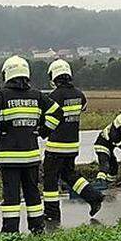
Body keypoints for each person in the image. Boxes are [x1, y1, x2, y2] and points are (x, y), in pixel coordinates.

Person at [0, 56, 59, 234]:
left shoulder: (2, 95)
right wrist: (44, 131)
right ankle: (37, 228)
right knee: (33, 194)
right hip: (31, 156)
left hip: (9, 158)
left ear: (7, 73)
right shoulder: (37, 95)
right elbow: (56, 112)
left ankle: (10, 232)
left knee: (11, 198)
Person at [42, 60, 104, 226]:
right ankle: (93, 196)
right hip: (72, 144)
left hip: (56, 146)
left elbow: (48, 117)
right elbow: (82, 108)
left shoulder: (53, 96)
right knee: (69, 175)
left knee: (50, 179)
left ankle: (51, 214)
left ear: (54, 76)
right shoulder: (79, 94)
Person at [93, 113, 121, 184]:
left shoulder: (119, 128)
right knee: (105, 164)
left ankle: (109, 182)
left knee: (114, 167)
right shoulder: (114, 135)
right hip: (101, 146)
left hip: (109, 147)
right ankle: (99, 181)